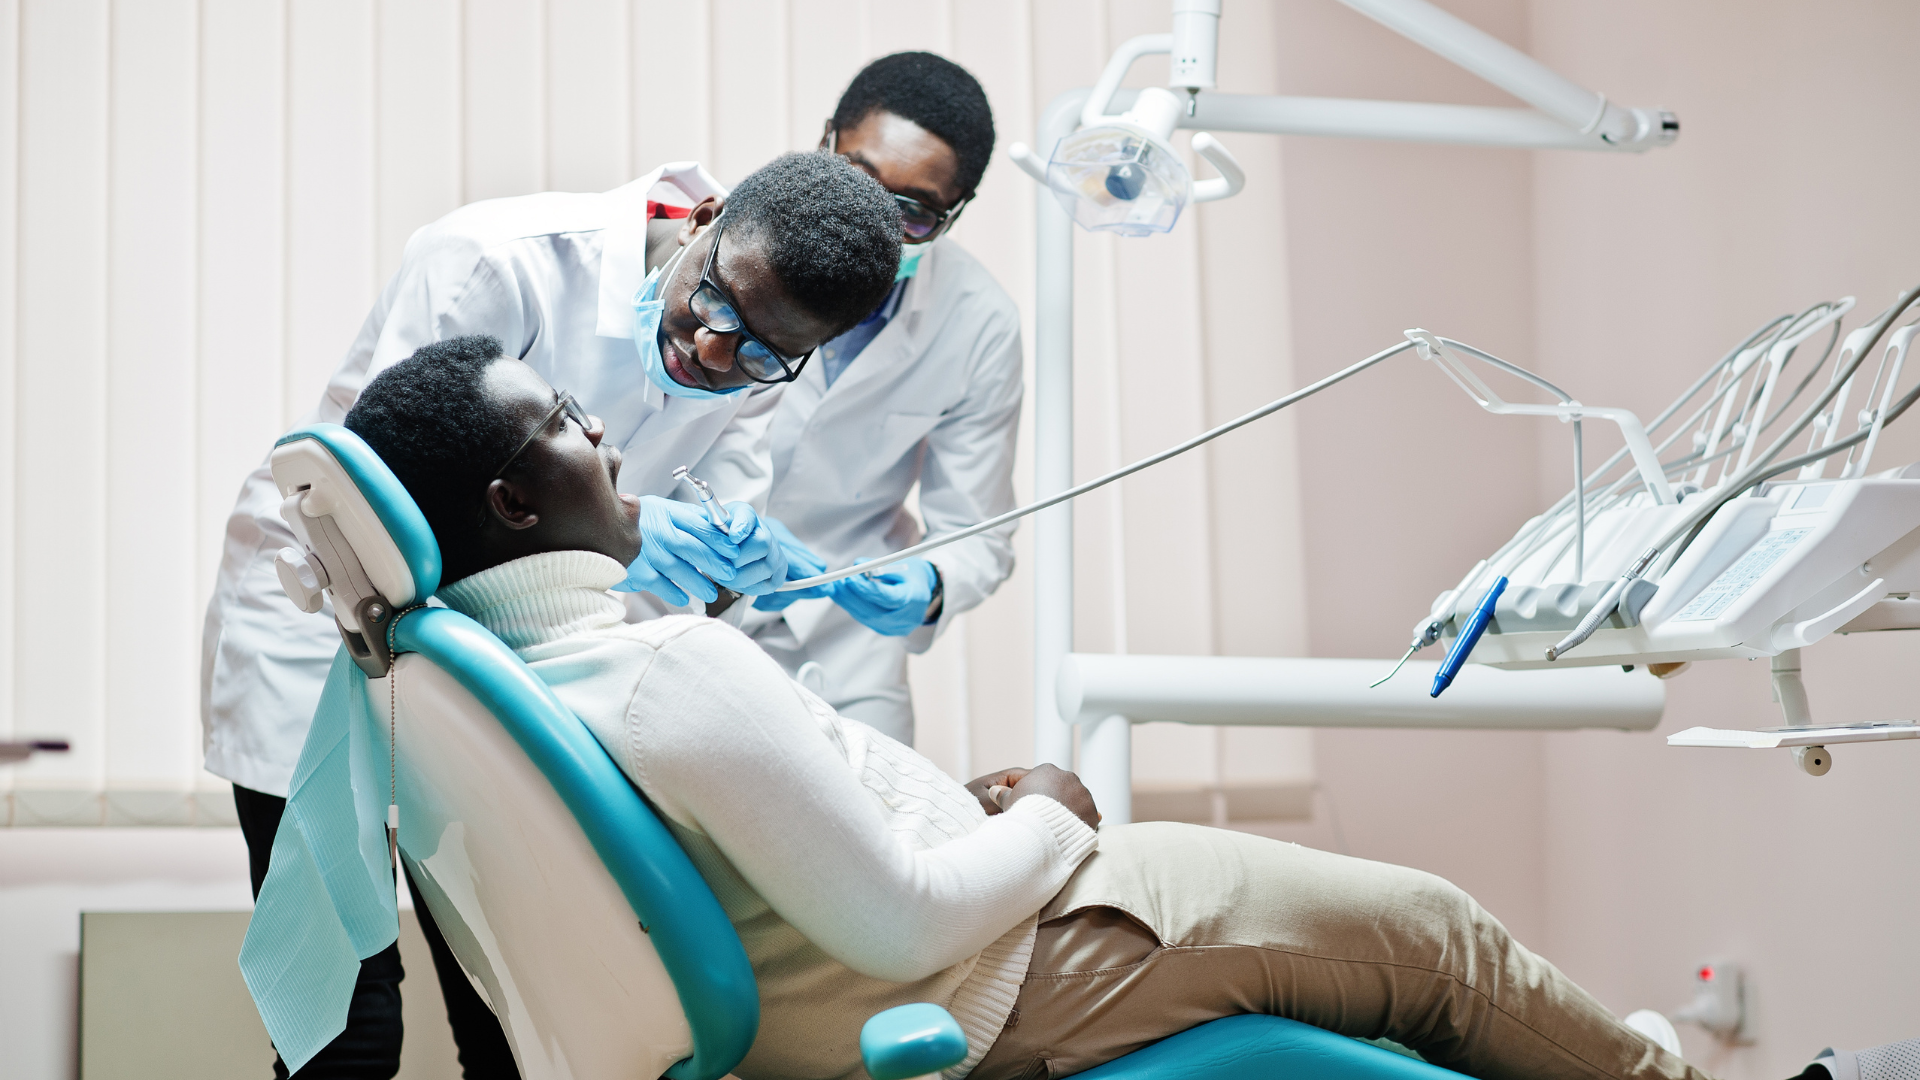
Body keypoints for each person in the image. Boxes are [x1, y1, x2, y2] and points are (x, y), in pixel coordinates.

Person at [340, 341, 1717, 1080]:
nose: (613, 439)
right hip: (1000, 963)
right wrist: (1055, 815)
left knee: (1385, 1005)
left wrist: (965, 816)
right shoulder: (663, 676)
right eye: (571, 421)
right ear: (517, 506)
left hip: (881, 986)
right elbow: (904, 921)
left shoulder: (461, 688)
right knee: (1438, 948)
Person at [204, 151, 903, 1078]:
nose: (712, 355)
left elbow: (694, 565)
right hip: (328, 634)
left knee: (520, 1018)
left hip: (511, 677)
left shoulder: (755, 358)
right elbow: (391, 492)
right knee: (348, 1025)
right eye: (717, 309)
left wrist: (741, 563)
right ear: (707, 219)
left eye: (765, 354)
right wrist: (632, 532)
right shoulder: (501, 263)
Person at [746, 53, 1024, 743]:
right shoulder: (727, 248)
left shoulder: (978, 323)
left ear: (953, 215)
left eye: (915, 212)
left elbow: (977, 532)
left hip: (844, 644)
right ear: (823, 144)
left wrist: (928, 585)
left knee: (889, 835)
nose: (874, 222)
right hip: (676, 607)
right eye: (856, 180)